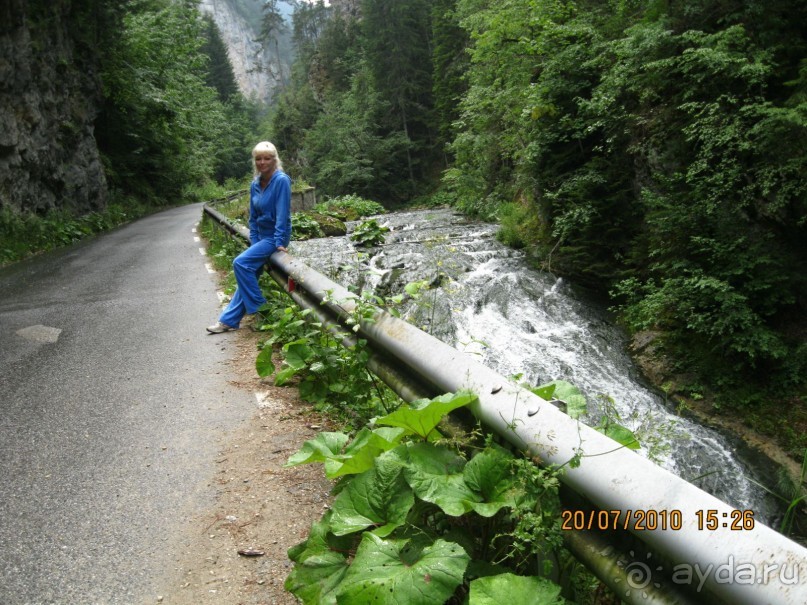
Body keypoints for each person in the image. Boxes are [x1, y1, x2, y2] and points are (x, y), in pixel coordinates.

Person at [207, 141, 292, 334]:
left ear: (274, 160)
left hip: (274, 237)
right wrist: (254, 241)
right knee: (248, 276)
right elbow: (253, 217)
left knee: (240, 263)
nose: (262, 162)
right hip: (260, 238)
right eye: (258, 159)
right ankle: (228, 320)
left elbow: (283, 214)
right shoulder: (255, 184)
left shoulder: (281, 181)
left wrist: (279, 241)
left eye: (267, 158)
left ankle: (263, 311)